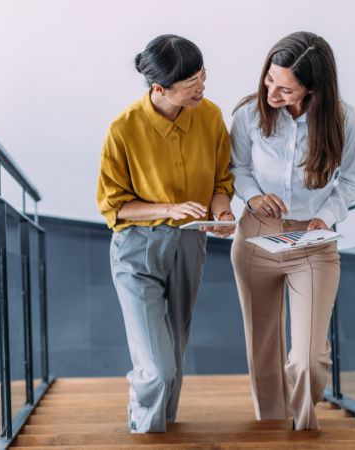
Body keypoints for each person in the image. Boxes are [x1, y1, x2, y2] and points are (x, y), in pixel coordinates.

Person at [96, 34, 234, 433]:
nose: (201, 89)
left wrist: (222, 210)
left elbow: (222, 180)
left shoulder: (209, 116)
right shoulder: (123, 129)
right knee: (156, 368)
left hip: (191, 245)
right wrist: (168, 208)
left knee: (173, 351)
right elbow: (113, 205)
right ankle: (144, 430)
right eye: (192, 85)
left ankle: (162, 430)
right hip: (138, 250)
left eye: (203, 77)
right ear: (159, 89)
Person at [229, 31, 355, 430]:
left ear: (312, 88)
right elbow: (238, 168)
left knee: (308, 358)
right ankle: (271, 427)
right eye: (270, 79)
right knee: (262, 347)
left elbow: (352, 180)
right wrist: (253, 197)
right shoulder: (248, 114)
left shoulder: (344, 121)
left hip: (313, 241)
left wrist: (327, 214)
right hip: (256, 236)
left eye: (285, 88)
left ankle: (304, 427)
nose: (271, 92)